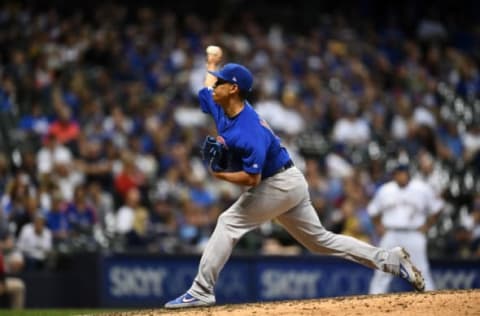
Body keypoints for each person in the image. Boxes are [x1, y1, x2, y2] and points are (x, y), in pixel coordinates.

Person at [164, 45, 425, 309]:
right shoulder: (222, 106)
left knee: (228, 222)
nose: (214, 85)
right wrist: (212, 62)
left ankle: (201, 290)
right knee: (321, 241)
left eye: (220, 82)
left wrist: (221, 175)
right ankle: (390, 260)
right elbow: (205, 89)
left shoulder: (248, 130)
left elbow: (252, 180)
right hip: (289, 181)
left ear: (233, 89)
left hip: (278, 183)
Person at [367, 162, 443, 294]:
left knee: (421, 269)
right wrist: (379, 226)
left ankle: (430, 300)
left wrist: (427, 226)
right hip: (391, 233)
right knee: (383, 268)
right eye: (397, 173)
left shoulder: (422, 188)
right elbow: (373, 211)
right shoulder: (386, 190)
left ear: (408, 174)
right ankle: (373, 299)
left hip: (413, 233)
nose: (400, 176)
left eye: (402, 173)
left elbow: (437, 208)